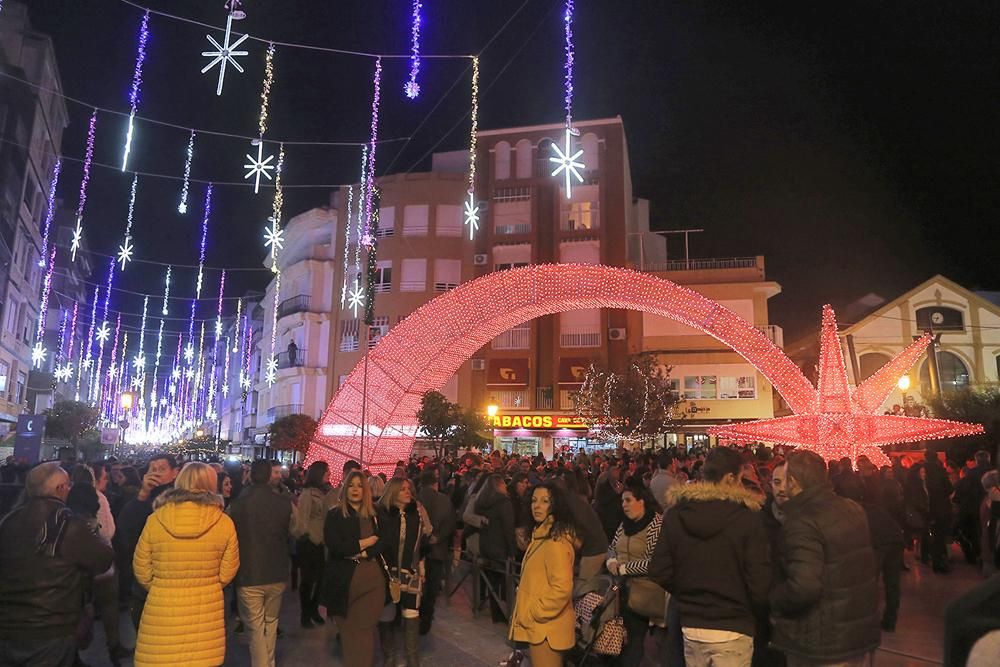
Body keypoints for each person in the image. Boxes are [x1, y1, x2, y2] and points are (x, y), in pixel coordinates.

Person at [649, 446, 771, 667]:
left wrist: (688, 592)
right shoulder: (747, 518)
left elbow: (659, 569)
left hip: (693, 624)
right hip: (734, 625)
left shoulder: (677, 514)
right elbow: (759, 582)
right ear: (730, 478)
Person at [769, 451, 880, 667]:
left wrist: (774, 600)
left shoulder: (802, 521)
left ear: (793, 481)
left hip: (821, 641)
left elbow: (804, 586)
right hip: (857, 632)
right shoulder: (852, 508)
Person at [0, 463, 114, 666]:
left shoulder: (9, 520)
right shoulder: (68, 524)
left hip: (10, 625)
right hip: (53, 628)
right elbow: (103, 559)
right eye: (68, 485)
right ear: (60, 488)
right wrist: (97, 532)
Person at [133, 462, 240, 667]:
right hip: (206, 609)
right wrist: (208, 584)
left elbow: (142, 568)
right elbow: (228, 571)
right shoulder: (223, 522)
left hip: (162, 608)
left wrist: (162, 585)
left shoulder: (156, 519)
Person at [228, 460, 301, 667]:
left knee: (255, 627)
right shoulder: (284, 503)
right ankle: (268, 661)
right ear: (270, 475)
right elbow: (298, 529)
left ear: (250, 475)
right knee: (271, 621)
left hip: (248, 571)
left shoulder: (238, 505)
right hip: (277, 570)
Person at [323, 470, 387, 666]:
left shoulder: (375, 513)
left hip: (372, 581)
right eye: (351, 485)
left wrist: (365, 553)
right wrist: (364, 542)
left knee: (364, 629)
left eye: (360, 485)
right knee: (348, 631)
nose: (355, 490)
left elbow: (384, 542)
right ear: (345, 488)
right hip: (343, 582)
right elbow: (336, 546)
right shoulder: (335, 515)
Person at [509, 482, 576, 667]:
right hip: (541, 628)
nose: (537, 506)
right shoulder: (541, 536)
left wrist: (535, 611)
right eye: (533, 500)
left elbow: (562, 588)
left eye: (545, 501)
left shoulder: (555, 542)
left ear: (555, 505)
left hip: (546, 630)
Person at [116, 453, 180, 629]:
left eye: (162, 469)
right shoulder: (141, 499)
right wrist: (143, 493)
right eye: (153, 469)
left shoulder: (182, 499)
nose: (157, 474)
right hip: (144, 581)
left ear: (175, 473)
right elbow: (124, 527)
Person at [836, 475, 904, 632]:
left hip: (879, 543)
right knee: (892, 584)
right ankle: (890, 620)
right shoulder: (871, 507)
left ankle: (864, 622)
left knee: (868, 583)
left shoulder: (849, 511)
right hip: (895, 539)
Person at [606, 484, 664, 667]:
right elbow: (612, 547)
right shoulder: (624, 525)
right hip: (620, 591)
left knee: (635, 642)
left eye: (628, 500)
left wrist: (624, 568)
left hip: (644, 595)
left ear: (642, 501)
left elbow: (653, 561)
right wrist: (611, 561)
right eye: (622, 500)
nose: (624, 504)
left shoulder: (656, 524)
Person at [377, 477, 432, 667]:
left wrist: (422, 566)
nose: (408, 492)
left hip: (411, 572)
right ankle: (389, 657)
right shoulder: (381, 514)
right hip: (387, 574)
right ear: (392, 492)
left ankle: (412, 659)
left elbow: (424, 543)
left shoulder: (416, 512)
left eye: (409, 488)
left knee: (411, 614)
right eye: (402, 489)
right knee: (386, 616)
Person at [417, 469, 456, 635]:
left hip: (418, 552)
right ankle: (426, 621)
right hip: (438, 550)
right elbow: (451, 523)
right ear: (436, 484)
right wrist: (438, 538)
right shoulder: (445, 500)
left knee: (417, 587)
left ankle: (413, 617)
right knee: (431, 588)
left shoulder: (415, 499)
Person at [476, 473, 517, 623]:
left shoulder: (483, 502)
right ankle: (505, 613)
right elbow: (508, 528)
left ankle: (496, 613)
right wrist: (512, 550)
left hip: (486, 544)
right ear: (499, 485)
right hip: (500, 546)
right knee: (504, 582)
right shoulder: (504, 503)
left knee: (492, 581)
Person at [297, 460, 333, 628]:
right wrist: (305, 536)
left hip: (322, 541)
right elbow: (302, 519)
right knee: (308, 580)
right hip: (311, 541)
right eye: (326, 472)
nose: (330, 475)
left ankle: (313, 609)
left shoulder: (326, 492)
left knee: (321, 580)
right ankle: (306, 613)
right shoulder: (308, 494)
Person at [954, 450, 991, 565]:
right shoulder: (994, 472)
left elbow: (961, 489)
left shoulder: (971, 473)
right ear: (988, 459)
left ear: (976, 460)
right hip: (992, 507)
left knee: (976, 533)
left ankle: (978, 555)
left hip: (973, 509)